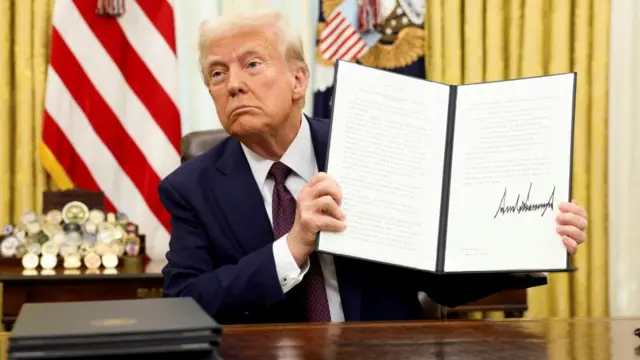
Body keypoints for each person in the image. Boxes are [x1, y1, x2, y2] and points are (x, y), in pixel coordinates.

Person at [158, 11, 588, 324]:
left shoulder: (374, 147)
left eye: (252, 64)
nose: (233, 84)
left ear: (298, 80)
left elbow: (440, 278)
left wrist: (534, 243)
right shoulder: (191, 188)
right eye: (217, 73)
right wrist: (292, 247)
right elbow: (185, 302)